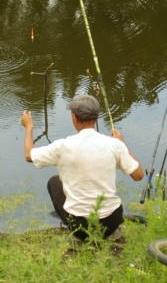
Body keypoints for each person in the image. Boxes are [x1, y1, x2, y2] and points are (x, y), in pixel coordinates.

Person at [20, 94, 144, 241]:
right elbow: (138, 175)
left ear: (74, 117)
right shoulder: (114, 145)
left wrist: (29, 127)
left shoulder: (63, 146)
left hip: (80, 228)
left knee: (54, 182)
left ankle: (77, 232)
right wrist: (123, 144)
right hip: (111, 223)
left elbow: (29, 155)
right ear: (96, 117)